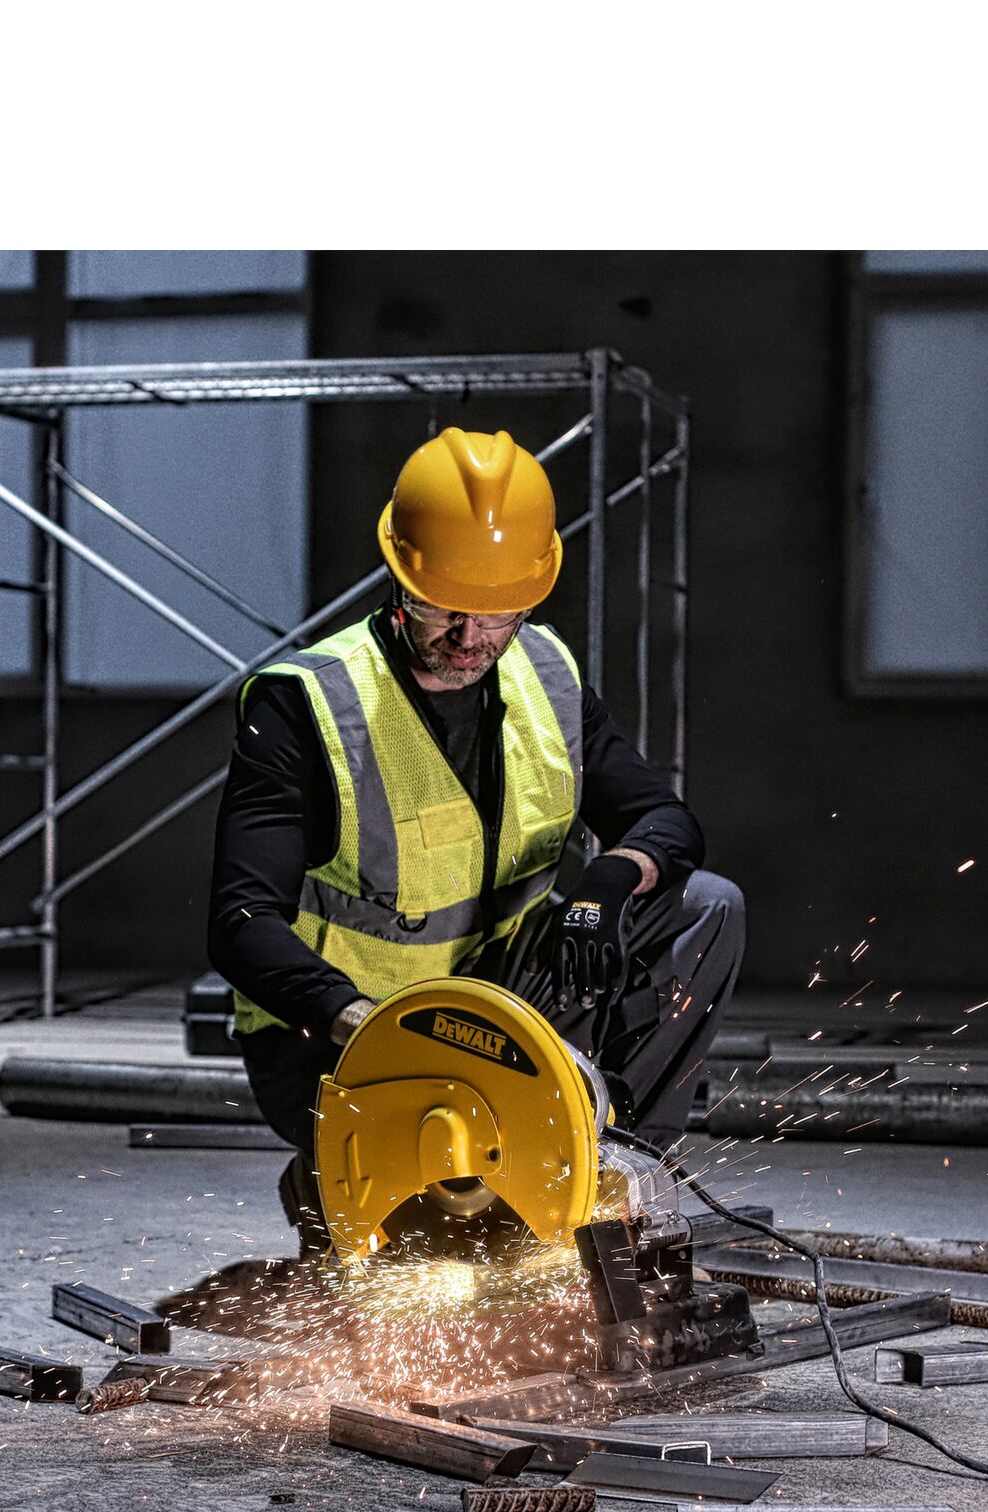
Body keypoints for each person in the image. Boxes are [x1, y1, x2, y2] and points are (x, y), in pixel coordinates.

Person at [206, 426, 744, 1232]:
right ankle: (332, 1173)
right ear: (400, 578)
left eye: (499, 615)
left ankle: (618, 1170)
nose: (470, 640)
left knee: (706, 906)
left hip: (502, 1001)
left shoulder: (546, 675)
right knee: (436, 1244)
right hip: (350, 1038)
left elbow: (663, 820)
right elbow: (240, 921)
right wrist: (364, 1023)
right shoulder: (307, 705)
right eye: (444, 610)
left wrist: (608, 881)